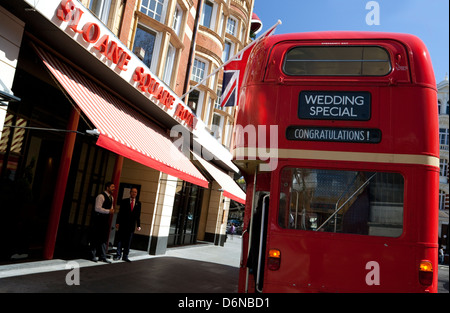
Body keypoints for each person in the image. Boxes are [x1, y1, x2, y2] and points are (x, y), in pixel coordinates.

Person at [114, 187, 141, 262]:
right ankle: (118, 255)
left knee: (128, 241)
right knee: (120, 240)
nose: (134, 193)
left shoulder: (138, 203)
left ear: (136, 194)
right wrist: (117, 222)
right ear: (130, 192)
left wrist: (138, 225)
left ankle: (125, 256)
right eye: (132, 192)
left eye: (135, 192)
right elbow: (120, 213)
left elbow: (138, 215)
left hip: (131, 225)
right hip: (123, 224)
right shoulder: (124, 201)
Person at [90, 182, 115, 263]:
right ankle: (92, 255)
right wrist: (108, 211)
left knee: (104, 238)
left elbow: (111, 208)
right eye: (112, 187)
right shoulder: (101, 196)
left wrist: (110, 211)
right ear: (107, 187)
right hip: (98, 219)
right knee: (96, 237)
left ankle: (102, 256)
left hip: (105, 220)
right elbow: (97, 208)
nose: (113, 188)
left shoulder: (111, 197)